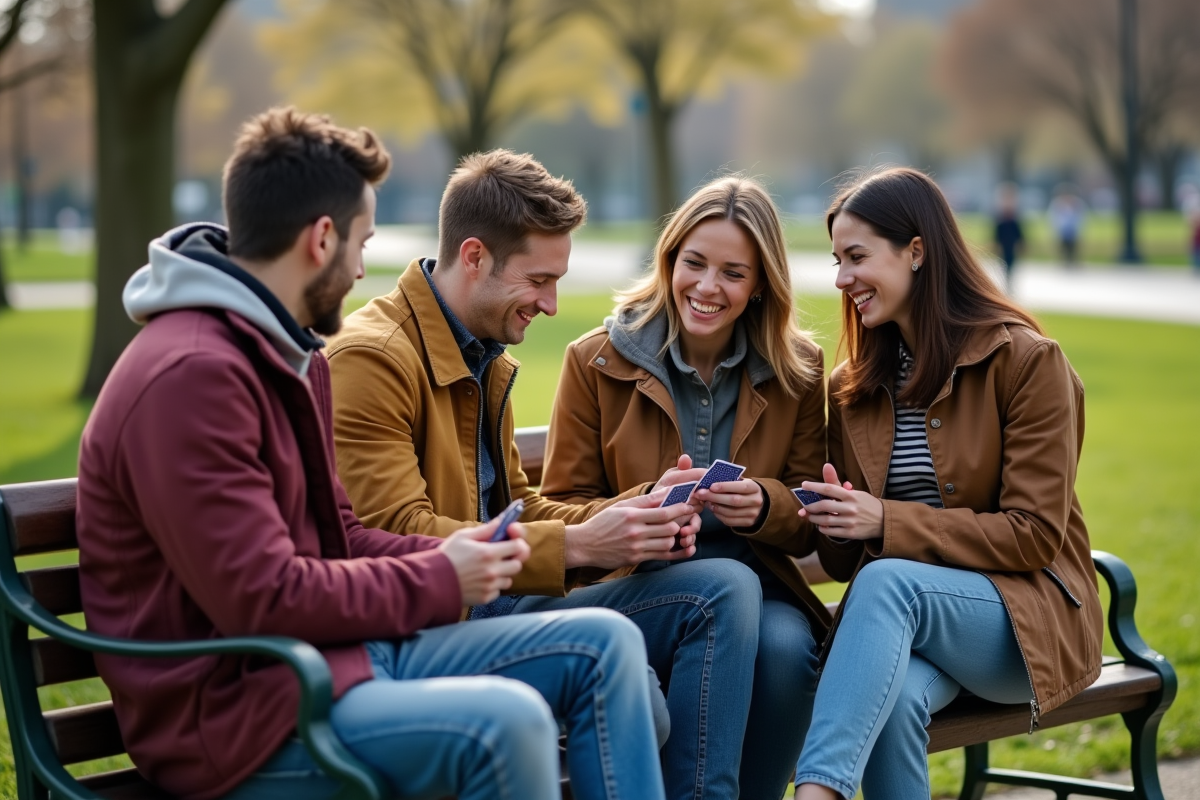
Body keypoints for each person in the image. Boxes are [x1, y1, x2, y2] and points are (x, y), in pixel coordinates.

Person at [75, 107, 666, 800]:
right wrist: (444, 578)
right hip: (239, 720)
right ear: (322, 239)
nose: (362, 269)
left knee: (606, 646)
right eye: (363, 242)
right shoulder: (193, 375)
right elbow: (261, 598)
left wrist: (473, 550)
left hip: (332, 662)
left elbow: (343, 536)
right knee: (507, 725)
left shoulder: (285, 356)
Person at [326, 150, 766, 800]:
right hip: (428, 632)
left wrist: (637, 511)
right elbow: (395, 532)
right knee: (635, 687)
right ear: (474, 256)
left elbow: (519, 508)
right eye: (539, 280)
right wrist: (586, 544)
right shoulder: (372, 360)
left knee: (724, 587)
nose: (553, 304)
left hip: (500, 603)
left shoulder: (482, 355)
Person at [539, 175, 859, 800]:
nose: (708, 288)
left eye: (734, 273)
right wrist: (641, 508)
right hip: (642, 587)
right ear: (669, 260)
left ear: (761, 283)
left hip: (761, 587)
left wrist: (765, 504)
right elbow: (560, 507)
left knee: (790, 650)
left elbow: (805, 518)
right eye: (695, 263)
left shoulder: (797, 370)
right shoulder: (596, 359)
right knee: (724, 597)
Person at [791, 167, 1104, 800]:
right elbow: (844, 560)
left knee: (888, 582)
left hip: (1025, 620)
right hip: (914, 623)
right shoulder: (855, 388)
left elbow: (1035, 538)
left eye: (857, 257)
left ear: (916, 250)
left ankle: (817, 794)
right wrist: (835, 518)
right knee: (892, 703)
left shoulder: (1026, 362)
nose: (841, 278)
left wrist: (885, 522)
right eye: (836, 260)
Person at [991, 181, 1024, 291]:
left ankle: (1009, 282)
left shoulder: (1014, 219)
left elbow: (1019, 233)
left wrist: (1021, 243)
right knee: (1004, 264)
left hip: (1011, 244)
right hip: (1003, 243)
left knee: (1011, 264)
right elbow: (996, 233)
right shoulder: (1000, 218)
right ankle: (1006, 282)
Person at [1048, 183, 1085, 266]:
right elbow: (1053, 217)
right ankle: (1064, 261)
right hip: (1062, 230)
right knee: (1063, 247)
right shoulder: (1057, 204)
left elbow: (1081, 217)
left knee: (1073, 247)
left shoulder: (1077, 204)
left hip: (1073, 230)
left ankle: (1072, 261)